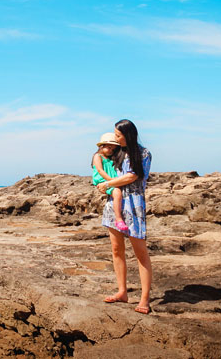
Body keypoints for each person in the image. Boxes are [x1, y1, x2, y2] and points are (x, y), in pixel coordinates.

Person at [96, 118, 153, 314]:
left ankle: (144, 299)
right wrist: (102, 183)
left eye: (118, 135)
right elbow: (100, 160)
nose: (116, 138)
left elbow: (133, 176)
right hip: (115, 203)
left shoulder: (143, 153)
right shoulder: (118, 152)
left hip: (134, 204)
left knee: (140, 253)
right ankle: (122, 292)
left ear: (128, 135)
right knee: (116, 249)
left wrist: (109, 185)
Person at [91, 133, 129, 233]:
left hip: (110, 180)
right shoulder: (97, 156)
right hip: (104, 180)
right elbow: (100, 170)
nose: (111, 151)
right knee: (117, 193)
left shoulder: (110, 158)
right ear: (101, 146)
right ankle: (118, 219)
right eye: (109, 148)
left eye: (113, 149)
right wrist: (111, 181)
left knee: (119, 193)